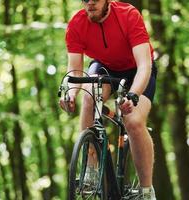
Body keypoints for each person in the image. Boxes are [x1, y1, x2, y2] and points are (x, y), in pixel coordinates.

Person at [59, 0, 157, 199]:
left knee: (134, 122)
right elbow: (75, 71)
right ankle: (90, 173)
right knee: (88, 97)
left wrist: (133, 94)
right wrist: (70, 94)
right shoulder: (76, 24)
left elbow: (144, 66)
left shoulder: (128, 15)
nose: (90, 2)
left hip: (137, 69)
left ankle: (146, 191)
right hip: (105, 66)